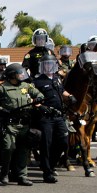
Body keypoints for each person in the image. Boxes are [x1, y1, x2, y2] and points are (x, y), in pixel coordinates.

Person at [0, 62, 41, 185]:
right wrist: (1, 109)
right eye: (19, 73)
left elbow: (39, 94)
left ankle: (22, 176)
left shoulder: (26, 86)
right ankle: (5, 173)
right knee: (8, 148)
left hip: (24, 123)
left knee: (23, 150)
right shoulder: (1, 88)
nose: (21, 75)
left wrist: (38, 98)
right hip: (9, 125)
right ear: (12, 75)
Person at [30, 55, 71, 183]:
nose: (49, 66)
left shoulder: (57, 79)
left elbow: (62, 91)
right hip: (45, 117)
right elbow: (30, 97)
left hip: (58, 116)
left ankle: (51, 165)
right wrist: (39, 106)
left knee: (64, 141)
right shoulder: (36, 81)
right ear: (42, 66)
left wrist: (70, 96)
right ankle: (47, 172)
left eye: (51, 64)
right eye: (46, 64)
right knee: (46, 144)